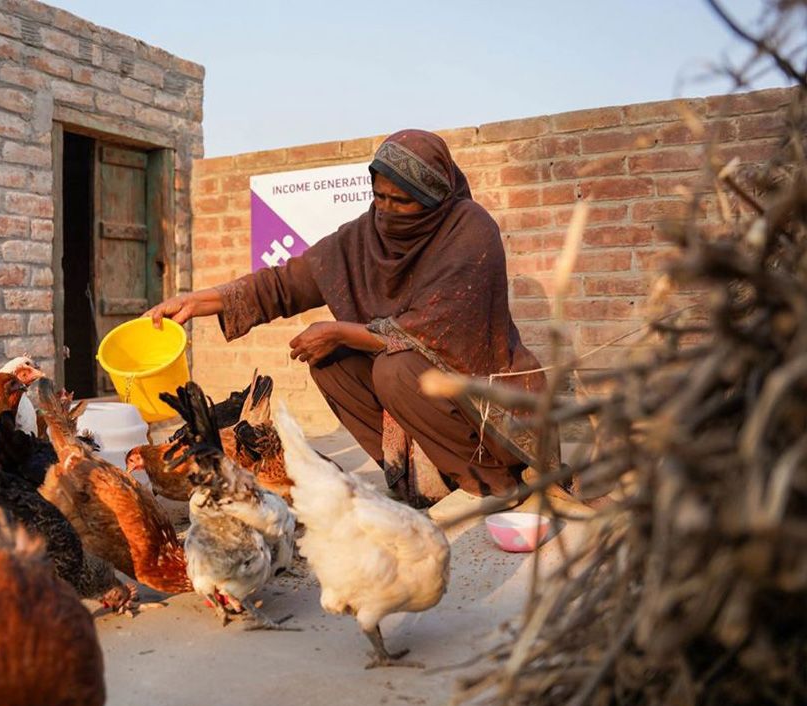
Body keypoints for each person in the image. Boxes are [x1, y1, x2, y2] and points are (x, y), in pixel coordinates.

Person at [144, 129, 554, 507]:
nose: (387, 210)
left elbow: (432, 330)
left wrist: (339, 331)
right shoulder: (366, 234)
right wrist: (200, 301)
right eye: (380, 196)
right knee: (331, 363)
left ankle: (492, 482)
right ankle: (422, 480)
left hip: (486, 406)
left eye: (402, 201)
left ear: (434, 198)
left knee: (394, 369)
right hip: (420, 384)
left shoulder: (469, 229)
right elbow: (287, 281)